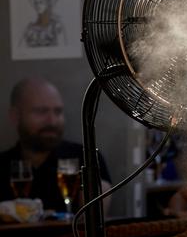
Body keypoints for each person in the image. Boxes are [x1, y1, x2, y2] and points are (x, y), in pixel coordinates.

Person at [0, 78, 112, 212]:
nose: (52, 121)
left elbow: (91, 226)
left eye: (58, 112)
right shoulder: (2, 165)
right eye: (41, 111)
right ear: (15, 116)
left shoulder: (86, 159)